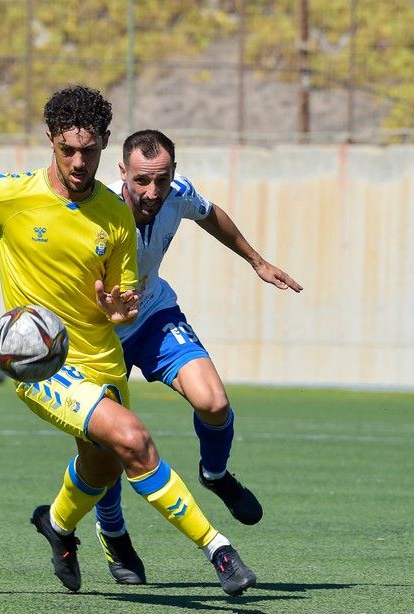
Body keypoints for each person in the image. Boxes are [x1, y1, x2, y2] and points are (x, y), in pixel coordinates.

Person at [0, 85, 256, 596]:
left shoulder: (116, 215)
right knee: (133, 440)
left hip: (104, 358)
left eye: (89, 150)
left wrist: (120, 308)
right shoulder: (9, 193)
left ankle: (58, 525)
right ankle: (218, 551)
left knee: (101, 464)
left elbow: (125, 293)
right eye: (68, 149)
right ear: (50, 142)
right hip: (40, 363)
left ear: (106, 143)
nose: (79, 161)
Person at [90, 129, 303, 584]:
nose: (152, 192)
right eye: (142, 180)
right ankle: (113, 533)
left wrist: (255, 260)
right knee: (109, 446)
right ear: (121, 173)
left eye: (162, 180)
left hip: (153, 314)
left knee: (214, 402)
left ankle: (215, 472)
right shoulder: (94, 212)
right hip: (100, 335)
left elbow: (210, 214)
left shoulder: (177, 194)